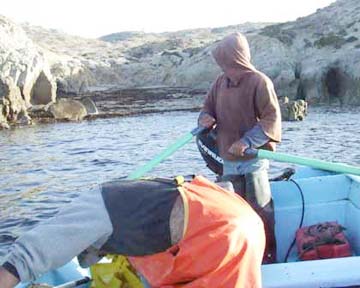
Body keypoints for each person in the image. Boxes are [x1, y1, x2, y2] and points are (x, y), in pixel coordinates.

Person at [0, 175, 265, 288]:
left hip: (224, 232)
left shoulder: (91, 211)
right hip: (234, 214)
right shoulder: (118, 208)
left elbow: (26, 256)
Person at [198, 32, 282, 263]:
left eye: (226, 62)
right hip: (228, 161)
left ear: (237, 58)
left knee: (260, 211)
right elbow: (207, 109)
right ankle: (237, 259)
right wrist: (205, 118)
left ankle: (267, 258)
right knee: (231, 214)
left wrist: (247, 141)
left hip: (253, 161)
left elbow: (271, 119)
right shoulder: (219, 83)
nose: (224, 68)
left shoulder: (259, 82)